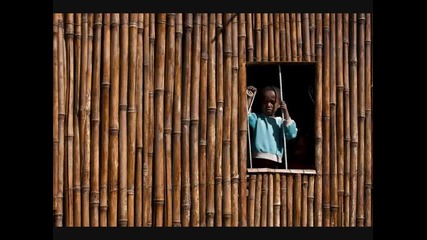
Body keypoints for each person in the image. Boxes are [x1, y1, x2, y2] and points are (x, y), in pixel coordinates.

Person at [247, 85, 298, 168]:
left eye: (272, 102)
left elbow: (292, 134)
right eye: (265, 101)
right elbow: (246, 116)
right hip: (258, 158)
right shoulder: (257, 118)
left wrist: (285, 112)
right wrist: (250, 98)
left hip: (275, 160)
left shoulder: (280, 122)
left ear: (279, 105)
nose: (268, 105)